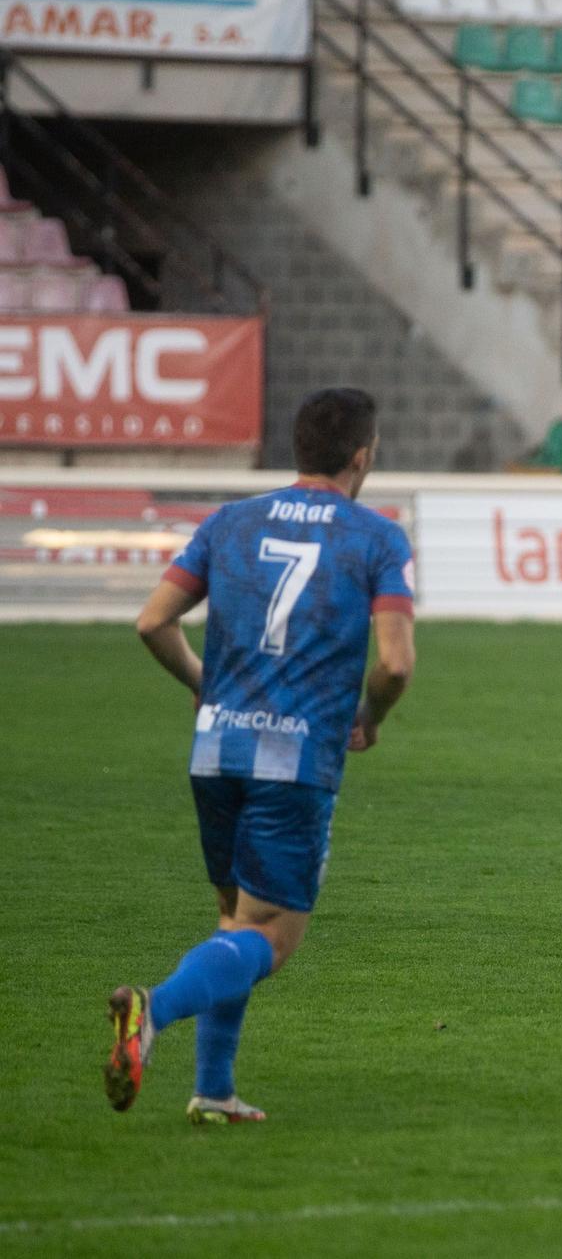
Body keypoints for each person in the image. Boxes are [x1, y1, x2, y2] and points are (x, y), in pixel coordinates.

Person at [106, 388, 417, 1125]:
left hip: (216, 748)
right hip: (296, 756)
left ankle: (213, 1091)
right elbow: (396, 664)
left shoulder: (228, 522)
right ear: (362, 457)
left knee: (233, 920)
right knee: (271, 935)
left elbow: (153, 622)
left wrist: (204, 683)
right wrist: (367, 717)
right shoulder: (376, 537)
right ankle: (153, 1011)